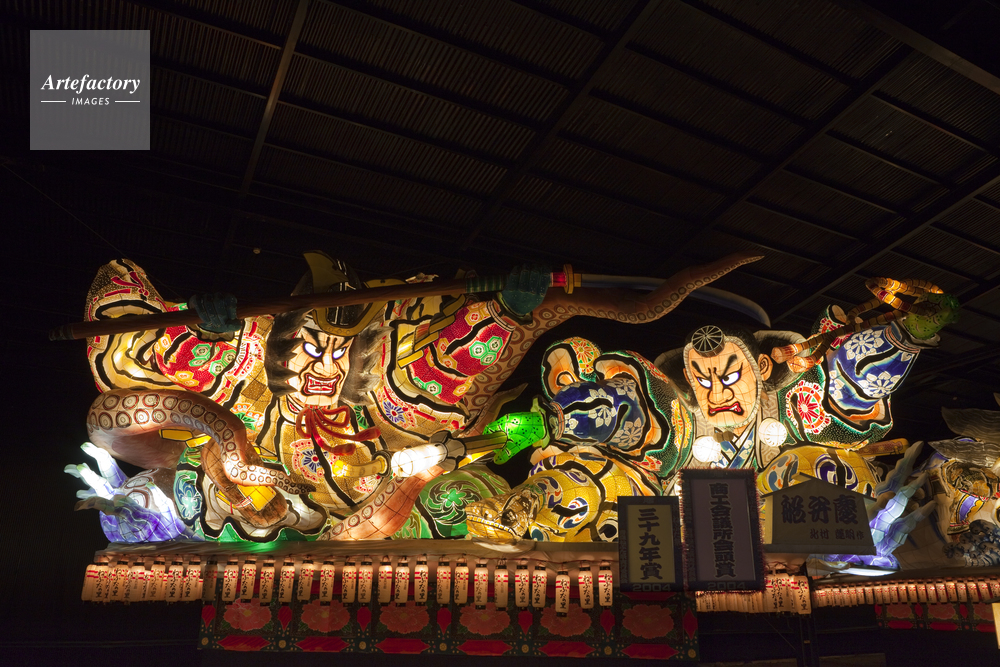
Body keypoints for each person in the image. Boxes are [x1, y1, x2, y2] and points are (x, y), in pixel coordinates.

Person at [79, 251, 759, 542]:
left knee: (452, 497)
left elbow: (460, 360)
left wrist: (515, 310)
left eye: (341, 352)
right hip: (270, 504)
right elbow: (123, 349)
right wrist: (202, 326)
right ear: (280, 345)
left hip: (383, 506)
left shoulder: (395, 386)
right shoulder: (247, 375)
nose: (324, 367)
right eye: (309, 349)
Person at [463, 296, 959, 543]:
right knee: (604, 475)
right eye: (701, 379)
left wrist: (904, 337)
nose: (716, 393)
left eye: (731, 376)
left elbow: (848, 386)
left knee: (818, 463)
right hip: (681, 536)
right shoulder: (675, 422)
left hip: (777, 529)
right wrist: (569, 416)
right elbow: (624, 411)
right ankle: (522, 509)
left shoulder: (787, 408)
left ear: (762, 367)